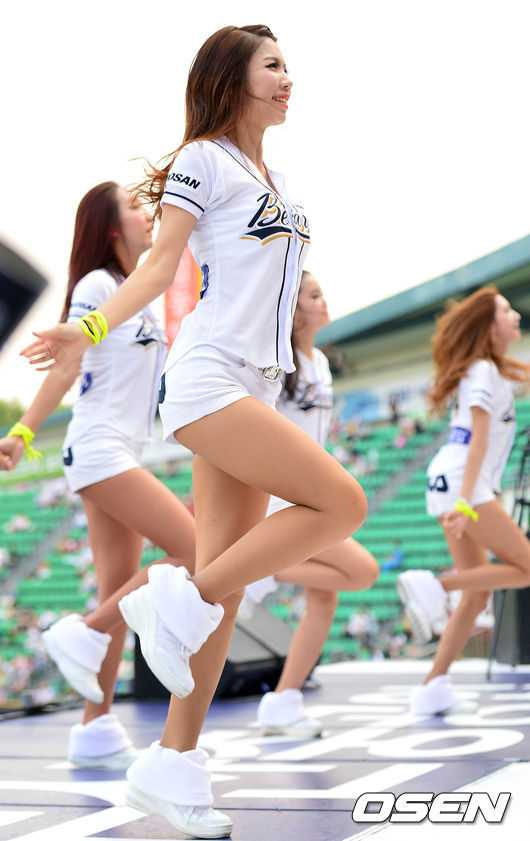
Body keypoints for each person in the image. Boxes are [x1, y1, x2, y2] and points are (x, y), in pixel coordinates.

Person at [22, 24, 366, 838]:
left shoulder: (280, 178)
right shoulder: (202, 160)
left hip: (258, 382)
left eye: (288, 66)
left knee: (229, 576)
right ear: (231, 79)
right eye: (273, 66)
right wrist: (89, 328)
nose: (288, 79)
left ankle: (171, 762)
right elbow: (158, 265)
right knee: (342, 505)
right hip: (210, 376)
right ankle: (180, 598)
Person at [0, 181, 199, 770]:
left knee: (118, 589)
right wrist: (22, 433)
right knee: (196, 549)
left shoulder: (140, 291)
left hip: (120, 450)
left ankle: (95, 728)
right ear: (111, 229)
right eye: (135, 208)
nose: (148, 214)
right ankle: (83, 630)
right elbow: (67, 367)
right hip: (97, 448)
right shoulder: (98, 286)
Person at [238, 271, 378, 736]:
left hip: (313, 492)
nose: (323, 301)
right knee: (362, 572)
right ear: (292, 310)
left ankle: (284, 699)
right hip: (284, 498)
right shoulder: (276, 360)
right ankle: (257, 567)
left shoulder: (319, 361)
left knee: (325, 598)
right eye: (313, 296)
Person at [396, 286, 530, 716]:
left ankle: (433, 685)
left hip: (450, 481)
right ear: (488, 327)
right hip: (462, 484)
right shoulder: (484, 371)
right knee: (525, 568)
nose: (516, 316)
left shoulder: (485, 369)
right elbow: (478, 439)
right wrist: (466, 504)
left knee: (477, 594)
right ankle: (436, 585)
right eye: (506, 311)